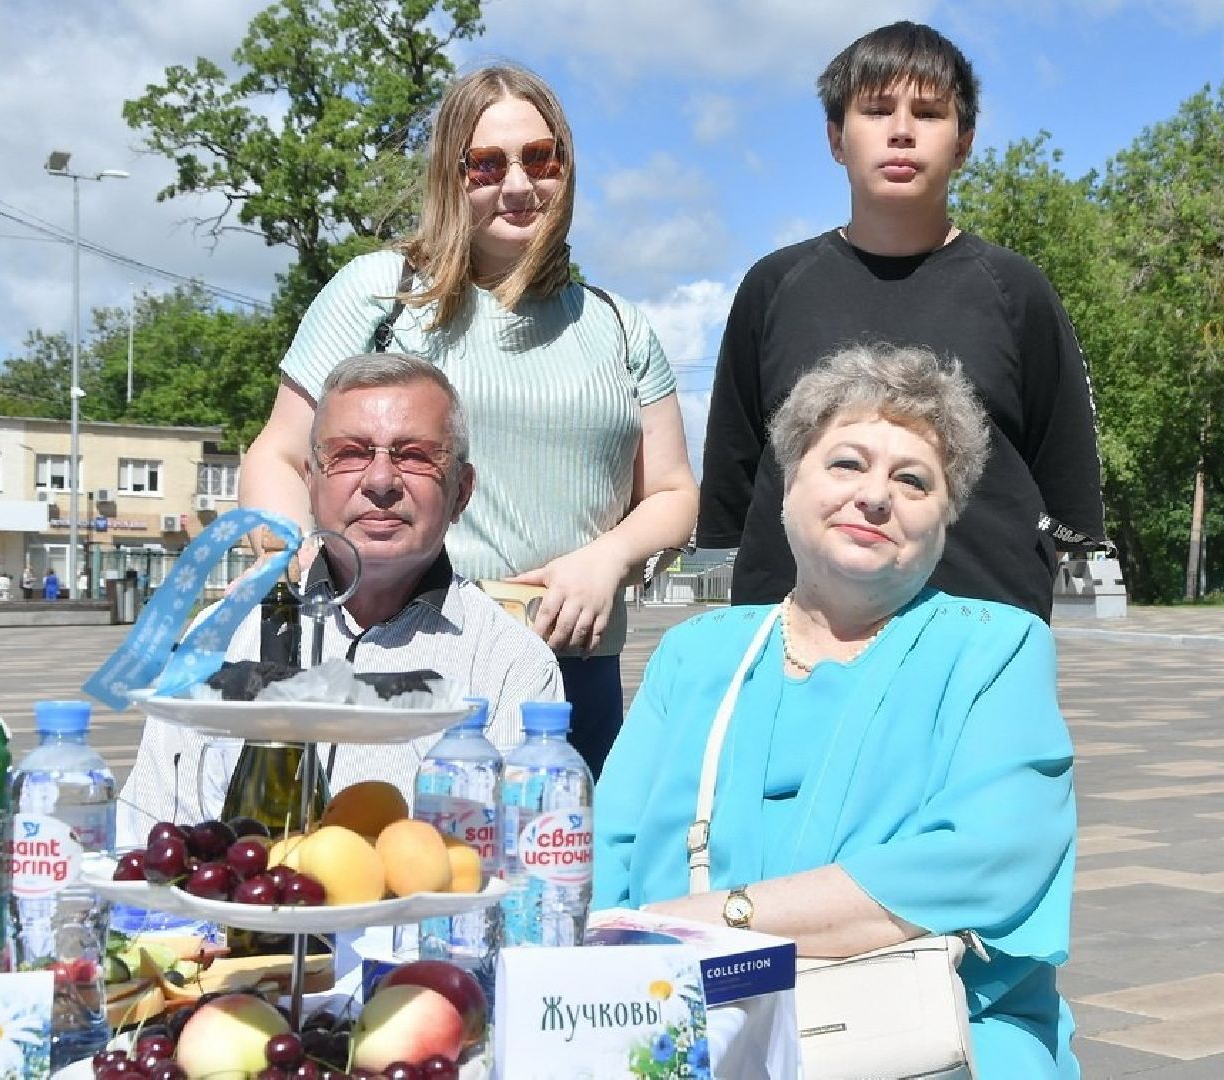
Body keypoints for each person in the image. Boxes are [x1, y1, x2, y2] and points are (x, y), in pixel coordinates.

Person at [597, 344, 1079, 1076]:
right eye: (847, 463)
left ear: (944, 520)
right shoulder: (695, 654)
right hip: (682, 1032)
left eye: (913, 481)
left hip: (930, 1040)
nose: (876, 496)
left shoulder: (996, 649)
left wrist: (722, 917)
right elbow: (611, 859)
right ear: (790, 486)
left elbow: (985, 861)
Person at [239, 64, 698, 777]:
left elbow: (673, 493)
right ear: (451, 178)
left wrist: (607, 558)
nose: (518, 185)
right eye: (486, 165)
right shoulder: (380, 294)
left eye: (541, 159)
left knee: (555, 882)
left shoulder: (618, 325)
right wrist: (298, 551)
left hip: (573, 674)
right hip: (401, 660)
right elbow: (276, 455)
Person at [698, 21, 1104, 623]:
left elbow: (1064, 485)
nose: (903, 132)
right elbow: (734, 480)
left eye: (931, 113)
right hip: (797, 637)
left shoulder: (1018, 292)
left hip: (980, 632)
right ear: (836, 138)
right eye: (877, 109)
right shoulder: (774, 287)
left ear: (964, 143)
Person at [119, 353, 565, 840]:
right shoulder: (225, 635)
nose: (379, 481)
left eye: (414, 455)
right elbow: (147, 836)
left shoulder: (511, 666)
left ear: (461, 491)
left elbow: (512, 877)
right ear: (310, 482)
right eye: (350, 453)